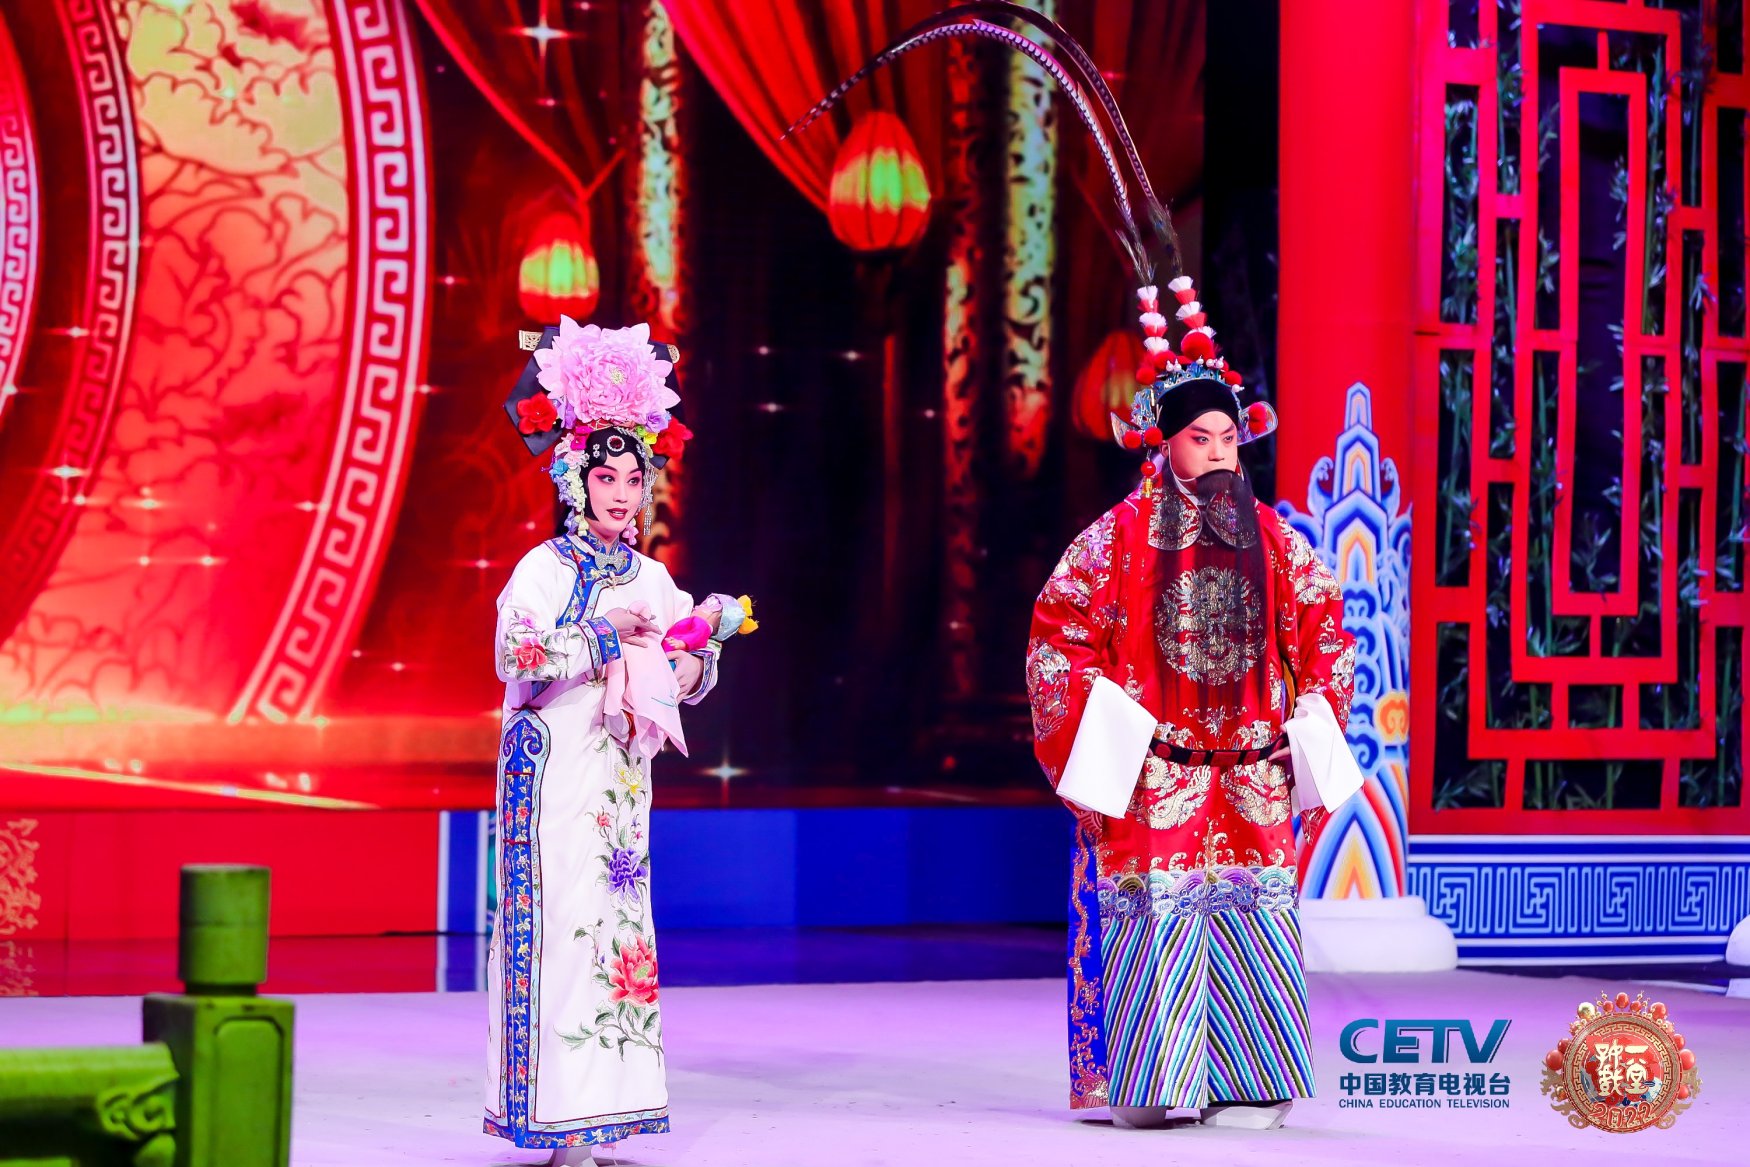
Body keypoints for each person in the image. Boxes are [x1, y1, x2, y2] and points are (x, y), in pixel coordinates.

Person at [1026, 279, 1356, 1129]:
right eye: (1198, 438)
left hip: (1250, 774)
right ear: (1165, 445)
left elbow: (1328, 636)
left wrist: (1305, 729)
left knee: (1252, 918)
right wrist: (1115, 741)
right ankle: (1152, 1075)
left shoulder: (1277, 540)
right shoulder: (1115, 540)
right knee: (1153, 918)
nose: (1216, 454)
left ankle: (1252, 1081)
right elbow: (1058, 639)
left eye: (1228, 439)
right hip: (1157, 774)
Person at [485, 318, 722, 1165]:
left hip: (620, 789)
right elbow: (514, 655)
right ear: (574, 479)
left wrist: (695, 663)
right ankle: (559, 1127)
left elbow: (689, 655)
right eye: (605, 476)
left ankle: (607, 1118)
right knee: (561, 934)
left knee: (618, 940)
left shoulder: (652, 575)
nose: (621, 493)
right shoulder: (543, 569)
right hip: (553, 779)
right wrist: (600, 632)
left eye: (634, 478)